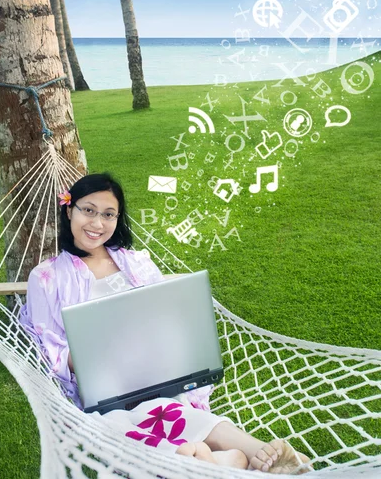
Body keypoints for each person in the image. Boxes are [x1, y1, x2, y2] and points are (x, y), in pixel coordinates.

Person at [19, 173, 311, 474]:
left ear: (118, 219)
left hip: (156, 370)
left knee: (174, 407)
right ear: (69, 211)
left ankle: (256, 451)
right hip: (102, 387)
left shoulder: (136, 262)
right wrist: (101, 357)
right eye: (88, 210)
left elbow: (167, 313)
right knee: (115, 423)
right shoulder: (46, 277)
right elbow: (48, 345)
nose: (97, 224)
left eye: (108, 215)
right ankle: (214, 460)